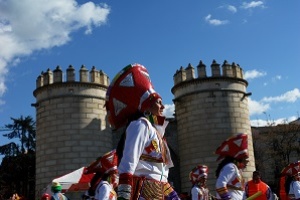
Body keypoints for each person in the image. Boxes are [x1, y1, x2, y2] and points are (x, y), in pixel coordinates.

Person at [105, 63, 180, 200]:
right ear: (147, 105)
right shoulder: (140, 125)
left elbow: (160, 170)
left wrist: (172, 195)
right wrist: (124, 196)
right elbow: (129, 161)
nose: (163, 106)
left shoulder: (155, 130)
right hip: (145, 191)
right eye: (158, 102)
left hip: (160, 189)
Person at [215, 133, 249, 200]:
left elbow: (239, 191)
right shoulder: (231, 167)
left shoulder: (237, 170)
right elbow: (220, 184)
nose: (246, 163)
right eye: (245, 160)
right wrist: (227, 198)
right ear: (240, 159)